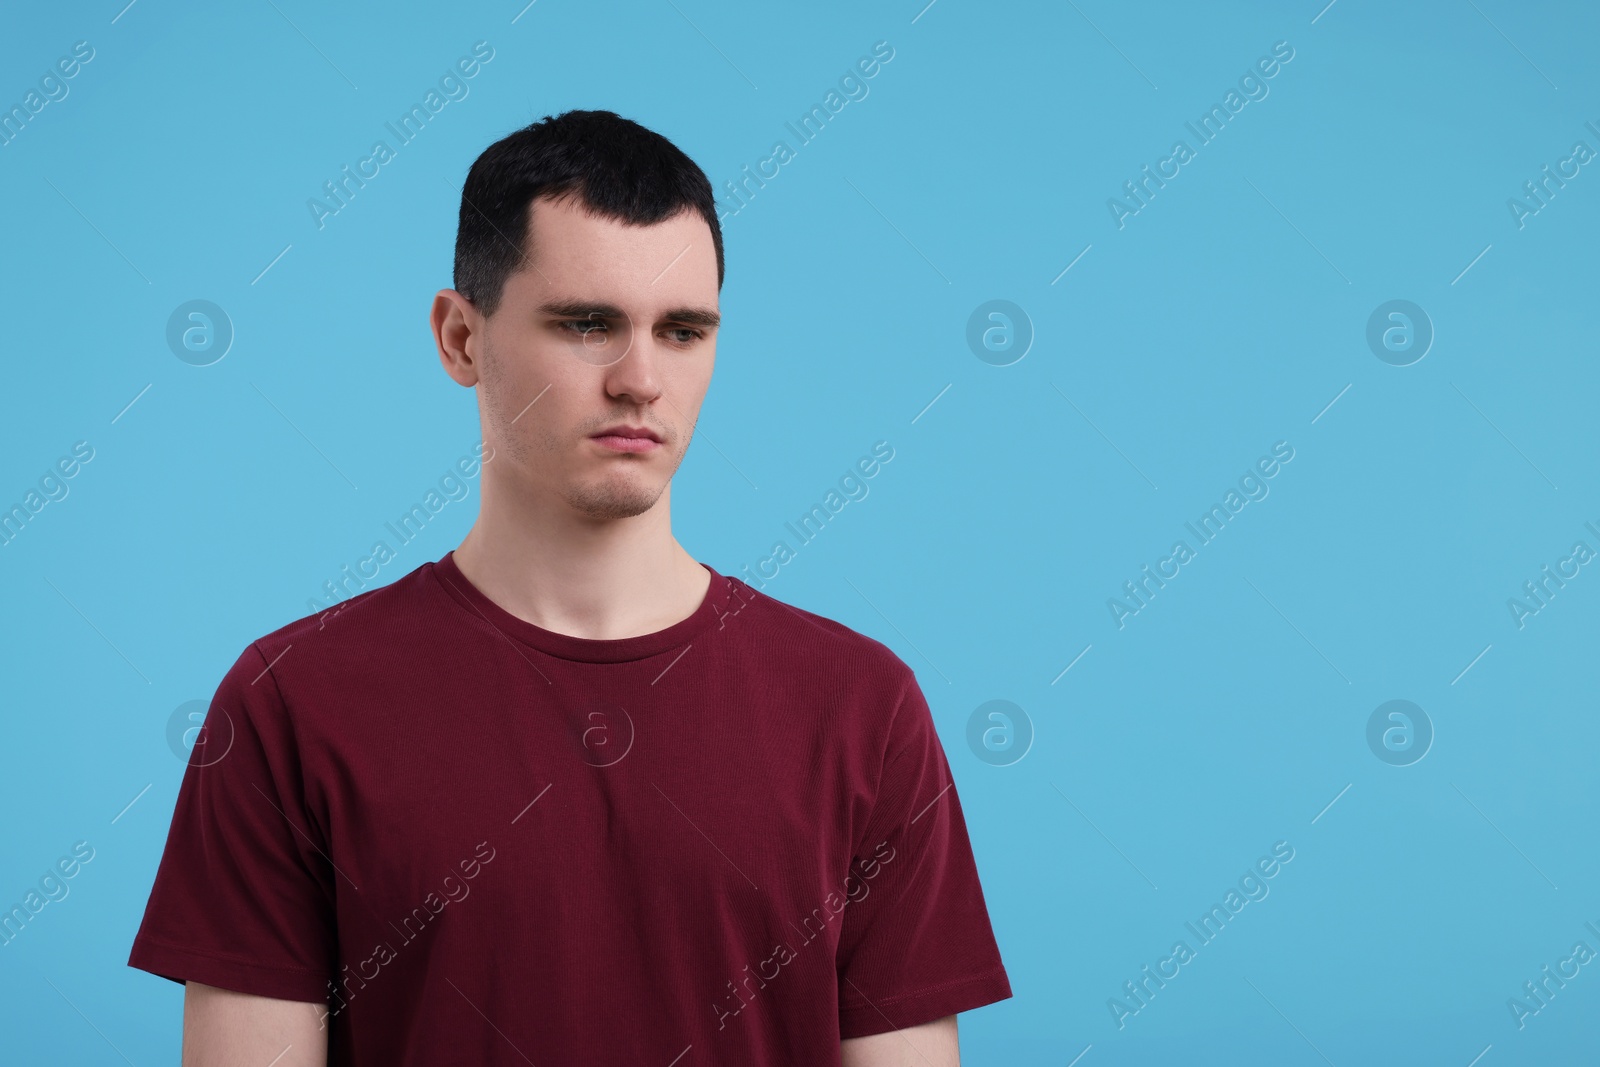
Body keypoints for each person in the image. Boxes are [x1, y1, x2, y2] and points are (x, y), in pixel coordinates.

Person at [128, 108, 1011, 1066]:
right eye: (588, 324)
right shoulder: (291, 703)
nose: (640, 378)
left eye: (682, 330)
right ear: (461, 338)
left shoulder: (860, 707)